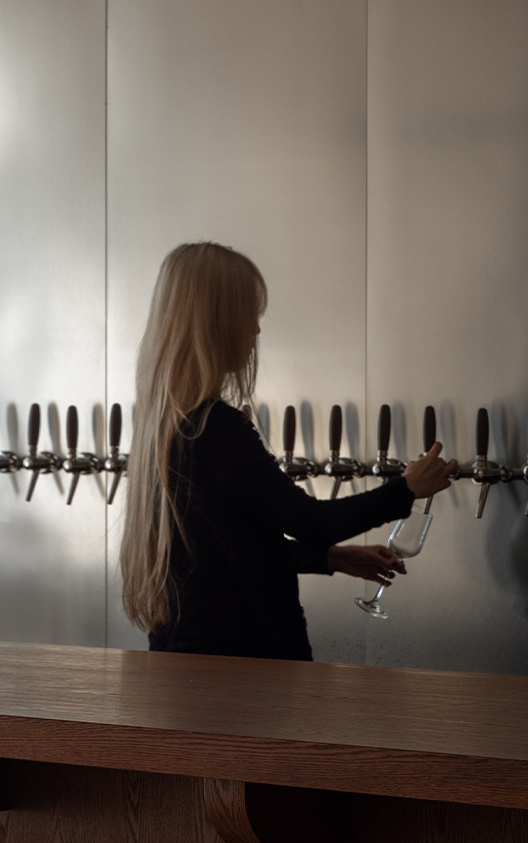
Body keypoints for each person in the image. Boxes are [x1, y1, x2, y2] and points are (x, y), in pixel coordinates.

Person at [120, 242, 456, 660]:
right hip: (240, 665)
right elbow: (310, 520)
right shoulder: (215, 427)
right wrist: (405, 489)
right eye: (248, 314)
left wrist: (329, 558)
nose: (255, 331)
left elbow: (225, 547)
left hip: (186, 656)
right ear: (216, 321)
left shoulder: (166, 423)